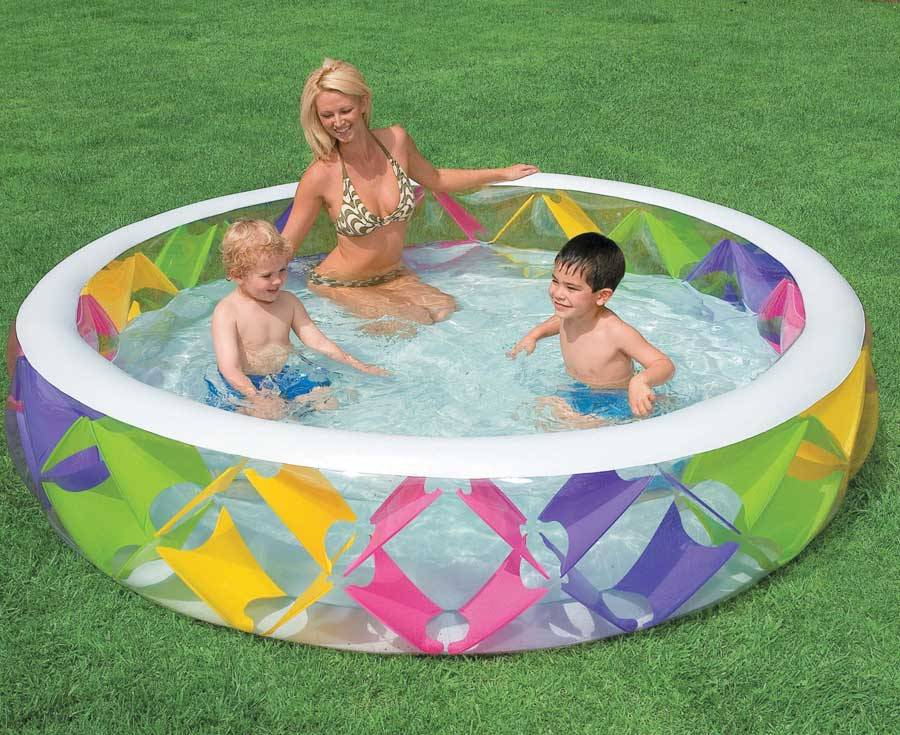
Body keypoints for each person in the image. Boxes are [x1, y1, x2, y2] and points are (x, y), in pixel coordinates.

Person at [280, 58, 539, 327]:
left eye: (345, 110)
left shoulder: (395, 142)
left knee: (446, 309)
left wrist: (502, 174)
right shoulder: (321, 174)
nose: (338, 122)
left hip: (393, 275)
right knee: (410, 322)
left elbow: (436, 178)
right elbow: (286, 247)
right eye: (327, 115)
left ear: (363, 103)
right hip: (342, 282)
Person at [209, 219, 386, 419]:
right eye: (266, 276)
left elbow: (318, 342)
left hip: (283, 375)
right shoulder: (227, 311)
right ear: (238, 275)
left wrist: (357, 364)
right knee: (267, 414)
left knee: (328, 400)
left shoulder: (289, 302)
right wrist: (255, 397)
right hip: (244, 382)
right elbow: (229, 368)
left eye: (282, 270)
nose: (277, 280)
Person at [508, 232, 675, 425]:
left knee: (551, 415)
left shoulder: (615, 332)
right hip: (579, 391)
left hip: (617, 400)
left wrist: (641, 381)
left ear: (602, 296)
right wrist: (534, 335)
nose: (558, 293)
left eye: (571, 288)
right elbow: (558, 321)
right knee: (534, 412)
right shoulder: (570, 313)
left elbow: (664, 364)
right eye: (555, 281)